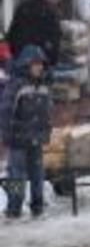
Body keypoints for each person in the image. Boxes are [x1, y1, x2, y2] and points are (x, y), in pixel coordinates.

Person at [0, 46, 52, 218]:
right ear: (26, 65)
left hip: (36, 137)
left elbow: (48, 111)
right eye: (35, 64)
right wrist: (6, 134)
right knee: (17, 175)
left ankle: (37, 204)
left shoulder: (43, 85)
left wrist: (47, 130)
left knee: (38, 173)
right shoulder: (16, 85)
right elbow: (6, 111)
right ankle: (15, 206)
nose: (39, 68)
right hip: (18, 139)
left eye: (41, 64)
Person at [7, 0, 63, 67]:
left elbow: (13, 31)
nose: (57, 1)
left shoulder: (25, 5)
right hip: (33, 55)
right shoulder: (46, 11)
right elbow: (52, 37)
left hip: (16, 50)